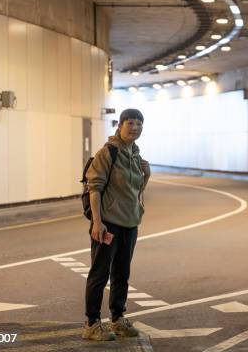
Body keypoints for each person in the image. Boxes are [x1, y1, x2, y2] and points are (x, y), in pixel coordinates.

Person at [82, 108, 150, 341]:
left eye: (139, 124)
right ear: (120, 125)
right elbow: (95, 188)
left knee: (122, 273)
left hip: (130, 223)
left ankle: (118, 318)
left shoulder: (135, 153)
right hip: (108, 223)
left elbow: (135, 191)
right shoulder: (108, 152)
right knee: (99, 274)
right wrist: (97, 222)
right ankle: (91, 323)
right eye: (130, 123)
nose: (135, 128)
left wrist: (146, 175)